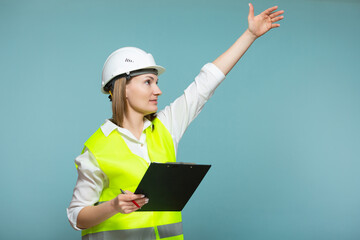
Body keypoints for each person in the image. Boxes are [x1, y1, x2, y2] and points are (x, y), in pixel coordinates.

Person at [67, 3, 284, 240]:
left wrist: (250, 35)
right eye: (148, 82)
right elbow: (76, 216)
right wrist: (113, 206)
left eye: (156, 82)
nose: (158, 90)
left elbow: (205, 84)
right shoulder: (97, 149)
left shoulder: (166, 126)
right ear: (123, 89)